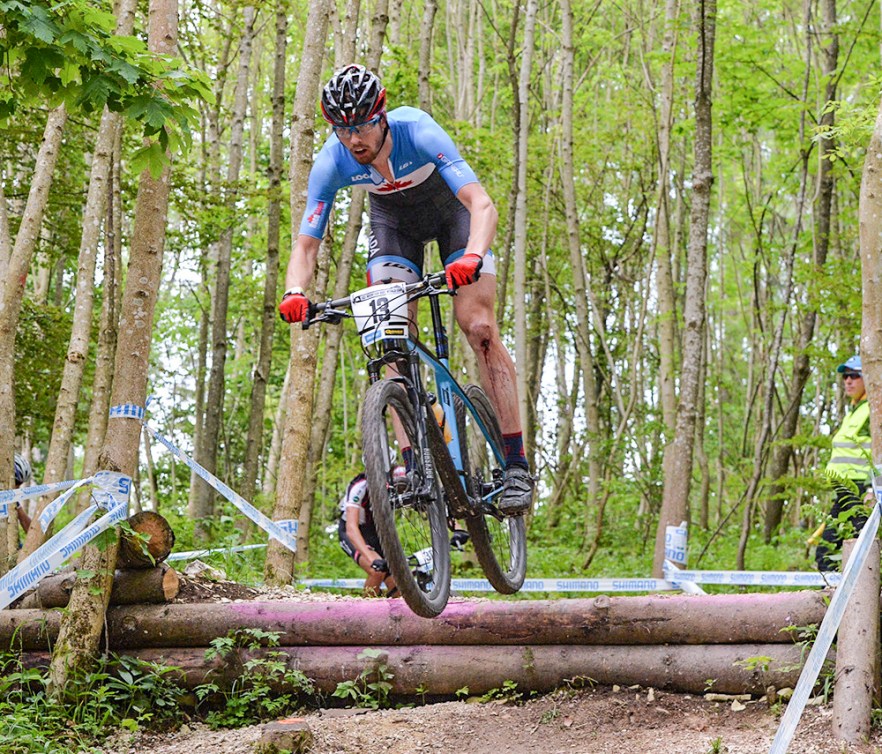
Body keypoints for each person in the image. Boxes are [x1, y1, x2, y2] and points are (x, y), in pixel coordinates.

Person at [279, 64, 534, 516]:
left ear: (382, 117)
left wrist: (473, 255)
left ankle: (516, 465)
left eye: (360, 125)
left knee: (478, 326)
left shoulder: (419, 131)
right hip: (393, 227)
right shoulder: (332, 161)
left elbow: (481, 204)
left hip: (453, 219)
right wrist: (296, 291)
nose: (353, 138)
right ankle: (415, 463)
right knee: (389, 336)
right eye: (342, 129)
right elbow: (306, 243)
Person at [338, 466, 471, 597]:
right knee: (376, 571)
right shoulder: (360, 486)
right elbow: (351, 528)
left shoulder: (400, 478)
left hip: (377, 532)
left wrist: (457, 528)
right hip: (355, 531)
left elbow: (431, 504)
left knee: (400, 589)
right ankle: (365, 615)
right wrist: (371, 558)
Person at [814, 355, 872, 571]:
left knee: (862, 549)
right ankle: (828, 599)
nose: (848, 381)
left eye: (854, 376)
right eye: (846, 376)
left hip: (859, 491)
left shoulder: (872, 411)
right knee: (827, 548)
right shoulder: (854, 411)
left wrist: (871, 489)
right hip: (844, 491)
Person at [12, 453, 32, 533]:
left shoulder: (11, 499)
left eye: (20, 484)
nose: (18, 488)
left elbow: (27, 525)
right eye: (16, 482)